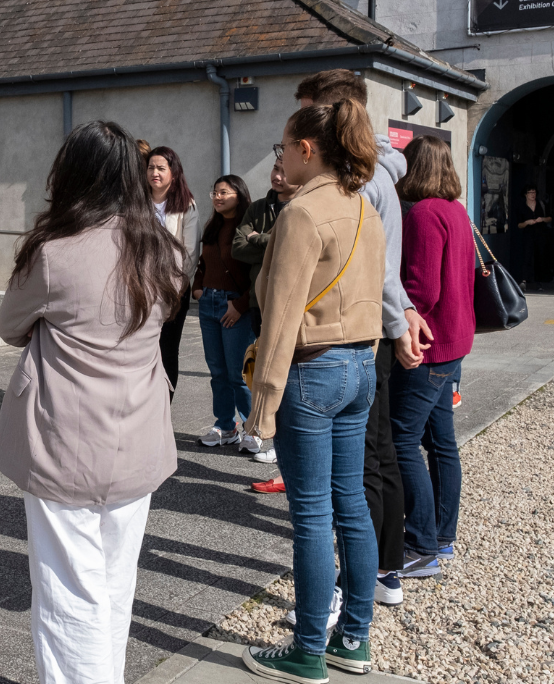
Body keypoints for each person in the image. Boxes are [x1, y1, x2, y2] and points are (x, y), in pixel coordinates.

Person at [0, 121, 184, 684]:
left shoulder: (54, 250)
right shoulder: (164, 250)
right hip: (139, 431)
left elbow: (9, 326)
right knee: (115, 586)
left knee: (67, 592)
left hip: (63, 436)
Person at [240, 99, 385, 682]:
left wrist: (262, 408)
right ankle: (354, 637)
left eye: (282, 148)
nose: (280, 160)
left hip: (311, 368)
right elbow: (374, 294)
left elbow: (279, 319)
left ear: (306, 149)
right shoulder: (362, 206)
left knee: (311, 515)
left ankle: (307, 649)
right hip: (358, 364)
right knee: (350, 506)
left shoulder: (301, 214)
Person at [390, 135, 476, 580]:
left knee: (402, 439)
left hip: (429, 344)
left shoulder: (423, 213)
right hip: (455, 340)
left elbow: (423, 291)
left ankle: (421, 542)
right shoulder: (455, 210)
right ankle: (442, 537)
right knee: (441, 442)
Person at [193, 175, 259, 453]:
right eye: (215, 192)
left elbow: (260, 273)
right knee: (217, 372)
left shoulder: (248, 227)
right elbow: (202, 262)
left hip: (235, 306)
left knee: (239, 373)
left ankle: (252, 428)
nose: (218, 197)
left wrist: (241, 305)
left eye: (224, 192)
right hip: (208, 303)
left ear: (239, 195)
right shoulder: (213, 225)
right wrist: (197, 289)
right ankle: (225, 426)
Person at [148, 146, 199, 396]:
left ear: (173, 173)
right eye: (151, 167)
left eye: (160, 168)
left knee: (167, 349)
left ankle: (163, 404)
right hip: (140, 288)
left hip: (173, 291)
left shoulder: (186, 206)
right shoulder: (137, 204)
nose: (154, 173)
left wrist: (174, 288)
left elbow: (189, 254)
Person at [232, 158, 300, 339]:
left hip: (294, 301)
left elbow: (298, 250)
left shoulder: (304, 209)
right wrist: (279, 247)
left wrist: (259, 238)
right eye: (275, 169)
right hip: (259, 300)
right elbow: (238, 248)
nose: (277, 176)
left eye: (284, 172)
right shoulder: (257, 208)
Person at [516, 184, 551, 291]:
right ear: (525, 195)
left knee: (539, 257)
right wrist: (527, 222)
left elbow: (550, 218)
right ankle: (524, 281)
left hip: (540, 234)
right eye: (530, 193)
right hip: (528, 235)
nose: (533, 195)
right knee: (527, 257)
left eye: (534, 192)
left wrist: (543, 219)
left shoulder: (541, 204)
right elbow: (519, 225)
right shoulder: (521, 207)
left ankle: (539, 281)